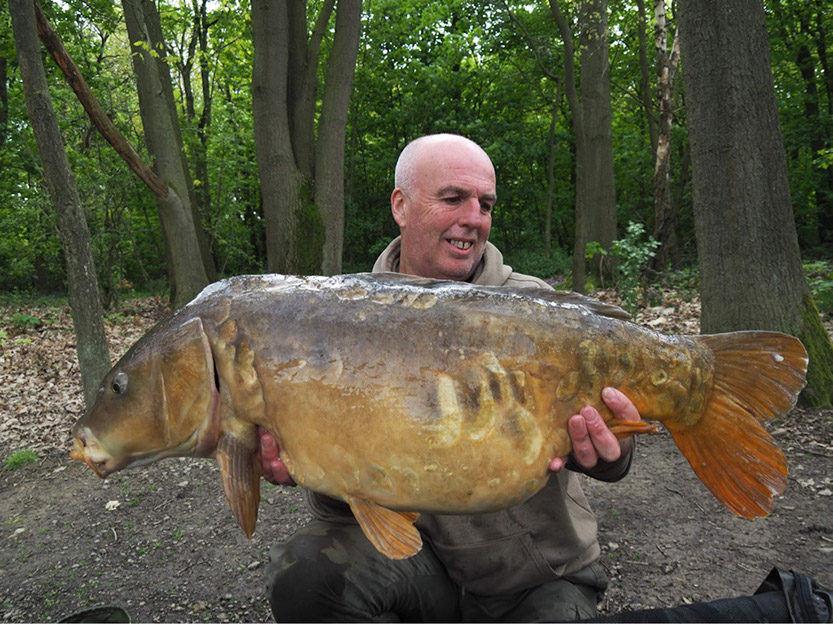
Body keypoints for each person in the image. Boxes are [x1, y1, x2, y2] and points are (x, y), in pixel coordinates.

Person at [257, 134, 642, 622]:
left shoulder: (536, 312)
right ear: (401, 204)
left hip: (534, 578)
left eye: (485, 204)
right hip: (419, 568)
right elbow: (341, 513)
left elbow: (618, 454)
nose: (474, 218)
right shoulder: (344, 319)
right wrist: (300, 459)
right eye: (454, 198)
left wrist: (610, 454)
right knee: (307, 575)